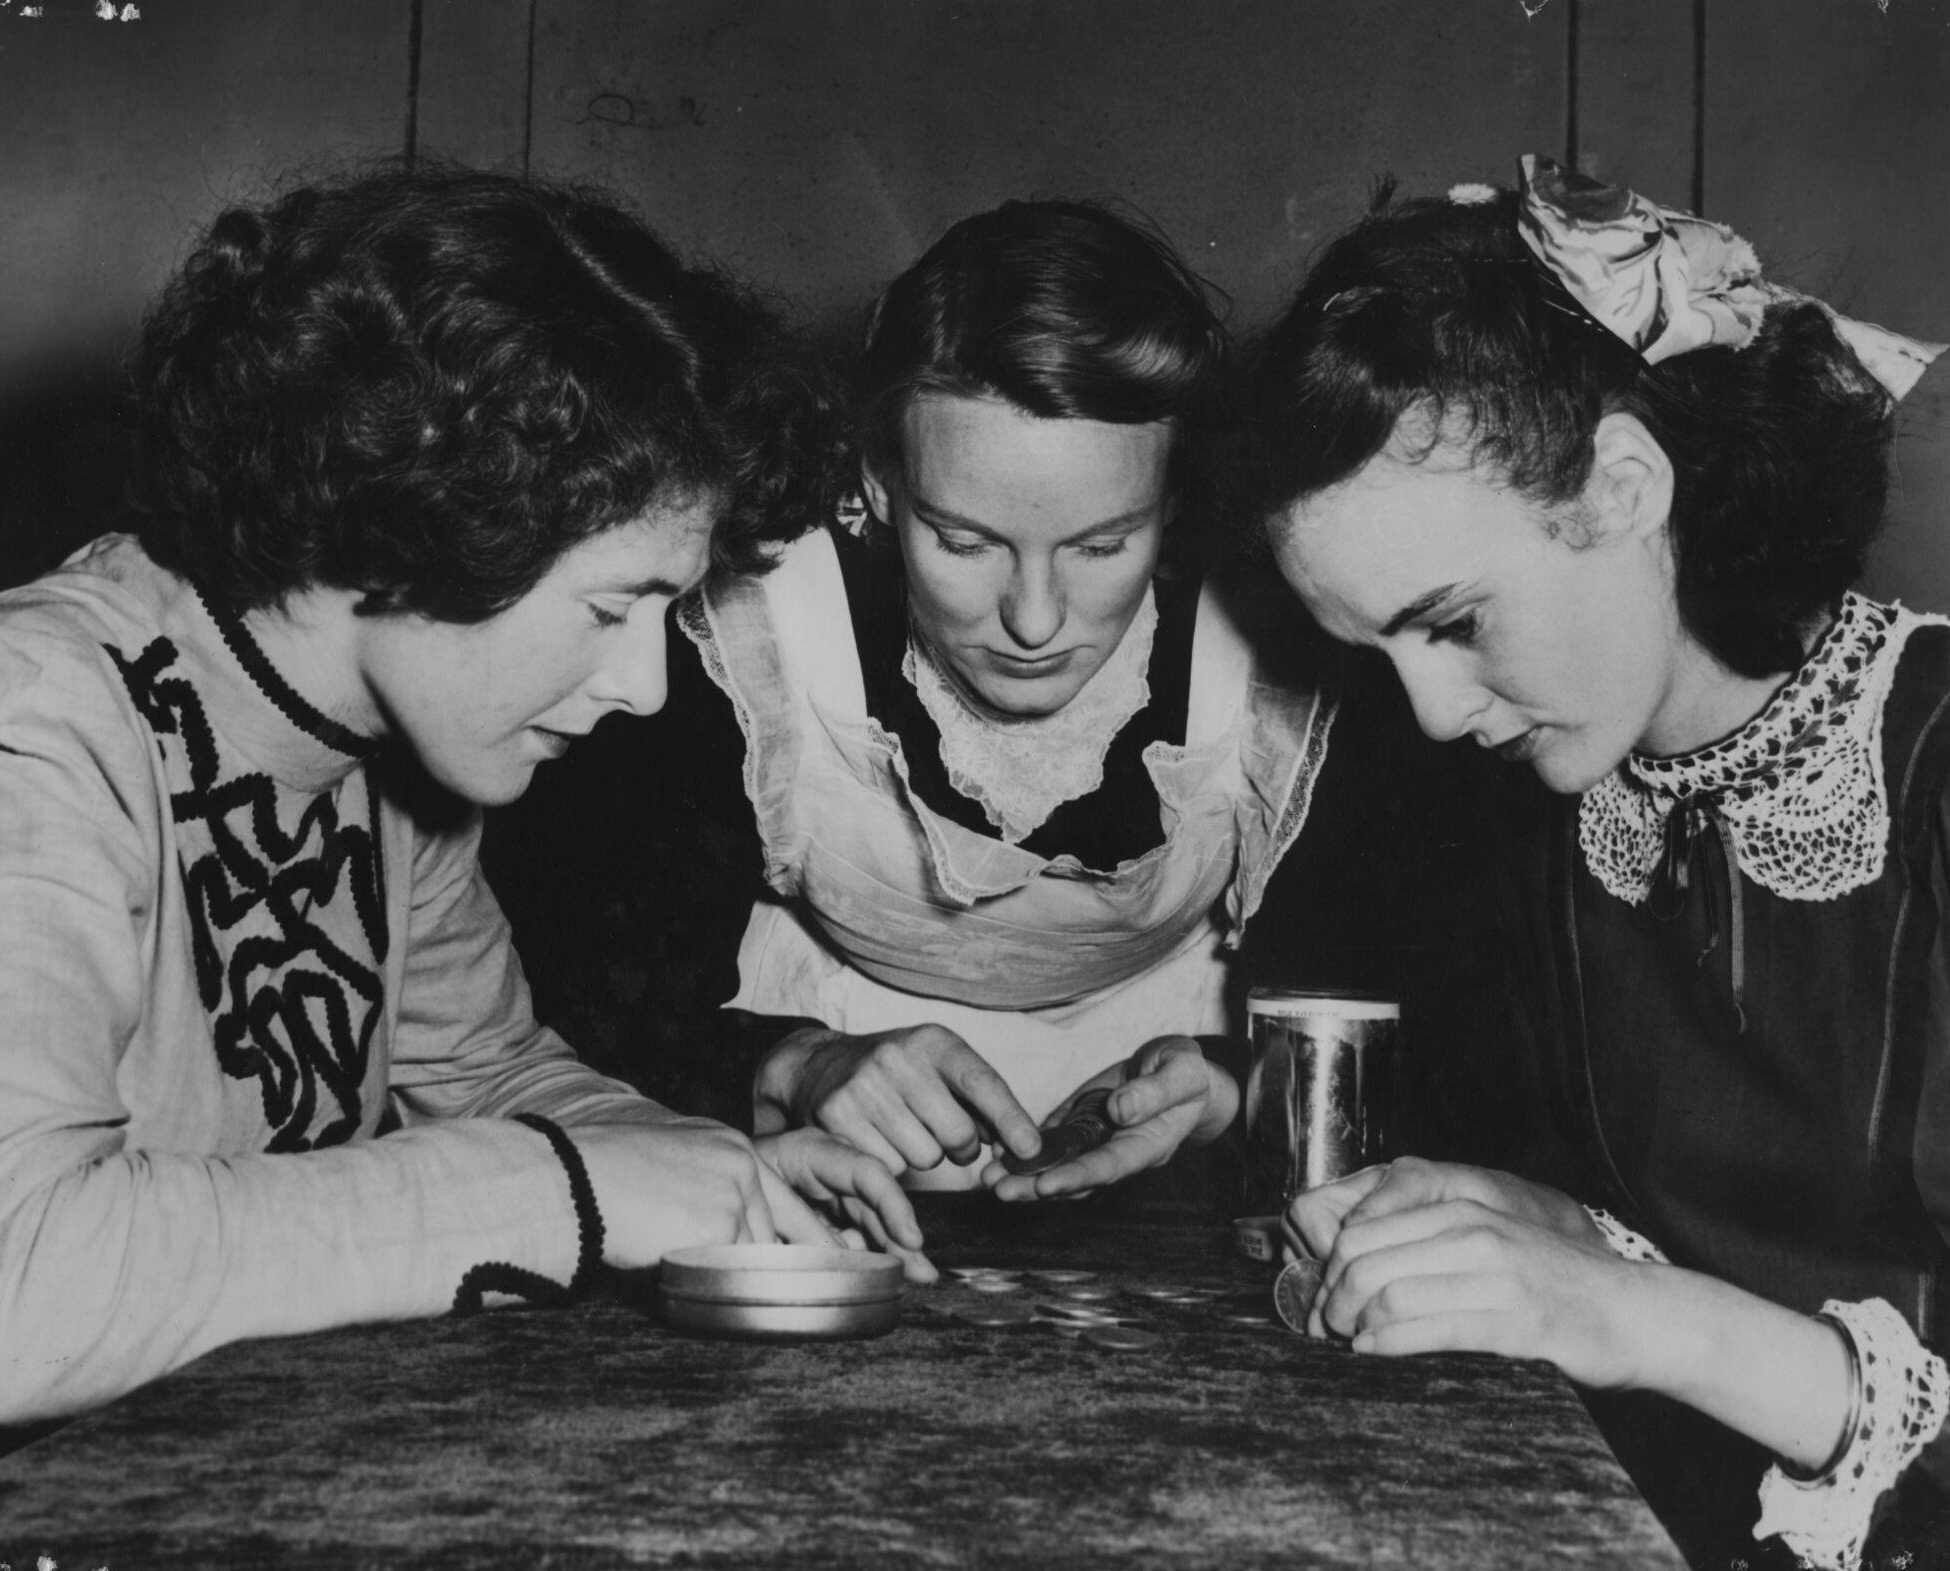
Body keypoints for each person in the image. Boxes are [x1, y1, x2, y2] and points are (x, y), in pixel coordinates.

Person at [0, 163, 927, 1432]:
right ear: (418, 520)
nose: (642, 683)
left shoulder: (387, 754)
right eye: (610, 604)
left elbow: (484, 1072)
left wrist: (713, 1177)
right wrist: (572, 1190)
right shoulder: (15, 717)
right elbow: (4, 1291)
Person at [1241, 156, 1950, 1569]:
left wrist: (1617, 1309)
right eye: (1372, 651)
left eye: (1449, 622)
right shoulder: (1553, 791)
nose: (1432, 711)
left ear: (1623, 485)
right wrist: (1545, 1218)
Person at [489, 199, 1341, 1205]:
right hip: (817, 1129)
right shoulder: (749, 628)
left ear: (1175, 505)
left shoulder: (1291, 638)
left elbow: (1398, 1008)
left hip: (1190, 1153)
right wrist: (795, 1065)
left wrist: (1243, 1081)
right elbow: (575, 997)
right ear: (881, 483)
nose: (1033, 620)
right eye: (965, 542)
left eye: (1103, 545)